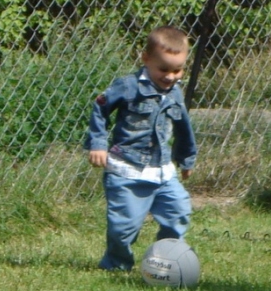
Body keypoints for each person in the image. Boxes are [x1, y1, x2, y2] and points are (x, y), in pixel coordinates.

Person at [84, 26, 198, 271]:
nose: (170, 76)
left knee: (178, 211)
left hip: (163, 172)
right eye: (163, 69)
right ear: (146, 59)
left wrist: (186, 158)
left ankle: (166, 259)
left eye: (177, 70)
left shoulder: (174, 93)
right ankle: (117, 264)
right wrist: (98, 144)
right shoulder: (128, 87)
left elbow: (183, 127)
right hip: (127, 171)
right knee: (123, 226)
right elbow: (100, 109)